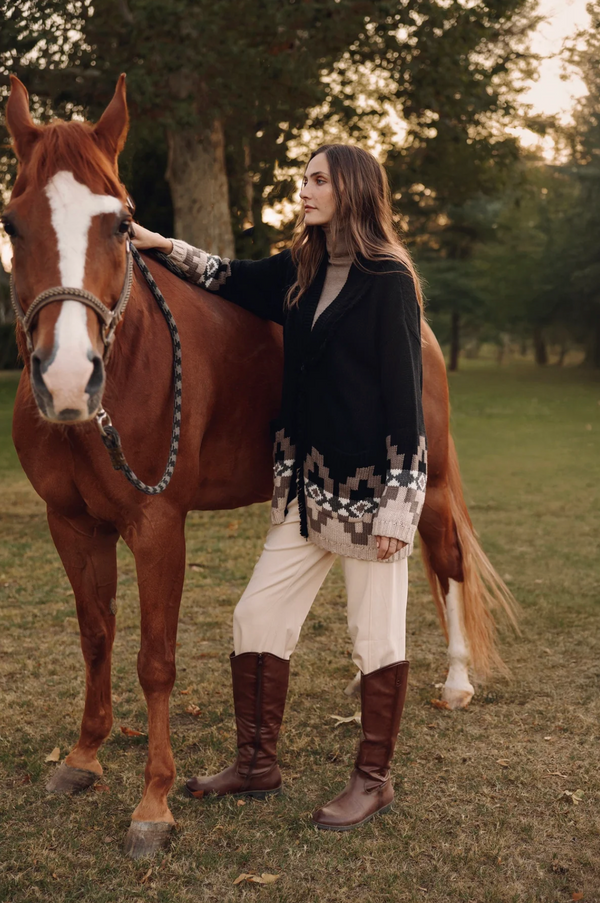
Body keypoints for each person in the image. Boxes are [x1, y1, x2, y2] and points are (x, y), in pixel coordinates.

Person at [131, 143, 427, 831]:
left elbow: (406, 405)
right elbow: (224, 275)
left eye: (318, 180)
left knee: (374, 637)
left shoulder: (388, 280)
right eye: (303, 178)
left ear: (351, 189)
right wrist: (155, 243)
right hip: (300, 489)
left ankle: (373, 779)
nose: (304, 190)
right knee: (256, 617)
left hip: (368, 494)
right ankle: (258, 763)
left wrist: (398, 509)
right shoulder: (301, 267)